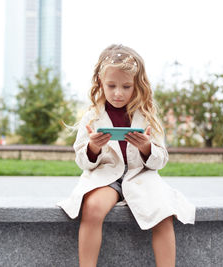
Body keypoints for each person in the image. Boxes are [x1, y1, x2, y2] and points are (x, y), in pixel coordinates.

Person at [57, 44, 196, 267]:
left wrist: (146, 148)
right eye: (111, 86)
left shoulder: (148, 115)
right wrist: (93, 148)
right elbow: (81, 161)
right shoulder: (92, 117)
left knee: (164, 213)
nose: (118, 93)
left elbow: (161, 159)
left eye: (126, 86)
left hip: (141, 177)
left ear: (137, 85)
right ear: (100, 83)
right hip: (106, 179)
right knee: (92, 208)